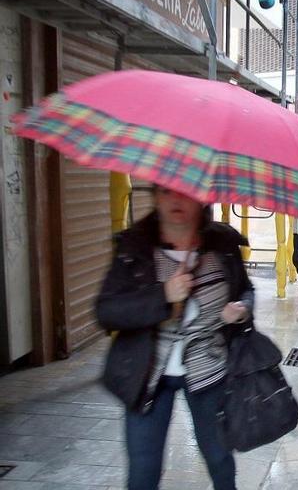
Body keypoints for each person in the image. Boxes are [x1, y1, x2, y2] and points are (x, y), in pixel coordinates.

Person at [96, 186, 253, 490]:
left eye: (186, 191)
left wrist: (242, 309)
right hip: (147, 375)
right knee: (144, 470)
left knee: (220, 460)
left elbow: (246, 290)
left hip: (210, 371)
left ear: (202, 199)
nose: (176, 199)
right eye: (167, 191)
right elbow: (107, 311)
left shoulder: (223, 243)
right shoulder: (134, 246)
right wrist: (164, 296)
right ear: (155, 197)